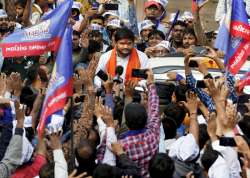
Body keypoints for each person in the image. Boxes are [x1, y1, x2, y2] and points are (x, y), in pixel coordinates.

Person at [119, 69, 160, 178]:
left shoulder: (121, 145)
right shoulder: (153, 134)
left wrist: (128, 96)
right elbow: (155, 108)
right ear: (147, 118)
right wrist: (151, 83)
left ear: (126, 124)